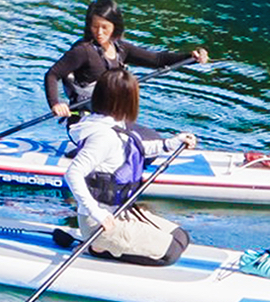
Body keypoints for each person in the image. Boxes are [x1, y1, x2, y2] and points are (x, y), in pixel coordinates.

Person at [60, 66, 188, 264]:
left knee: (181, 238)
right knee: (170, 253)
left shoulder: (113, 124)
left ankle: (109, 245)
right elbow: (73, 173)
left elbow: (134, 148)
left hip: (121, 211)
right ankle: (97, 248)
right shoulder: (102, 136)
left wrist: (171, 143)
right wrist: (97, 212)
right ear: (125, 101)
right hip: (99, 223)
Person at [45, 0, 208, 124]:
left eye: (105, 27)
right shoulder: (82, 51)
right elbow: (52, 74)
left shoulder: (121, 49)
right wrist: (56, 104)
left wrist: (190, 57)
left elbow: (158, 59)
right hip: (84, 124)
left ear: (115, 26)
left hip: (114, 121)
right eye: (94, 27)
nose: (99, 32)